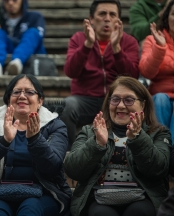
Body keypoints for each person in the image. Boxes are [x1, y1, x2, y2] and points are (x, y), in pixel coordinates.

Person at [64, 76, 172, 216]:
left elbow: (159, 169)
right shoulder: (90, 131)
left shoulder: (159, 133)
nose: (121, 105)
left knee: (139, 212)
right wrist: (97, 144)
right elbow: (73, 170)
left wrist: (138, 138)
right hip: (99, 198)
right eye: (115, 99)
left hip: (143, 198)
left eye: (129, 100)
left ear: (143, 105)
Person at [0, 74, 72, 216]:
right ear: (8, 99)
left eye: (29, 92)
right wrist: (4, 140)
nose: (22, 96)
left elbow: (53, 166)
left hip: (43, 194)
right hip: (0, 193)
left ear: (40, 101)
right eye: (16, 92)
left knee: (29, 210)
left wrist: (35, 139)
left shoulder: (55, 125)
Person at [61, 0, 140, 149]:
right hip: (85, 100)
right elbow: (70, 71)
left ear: (118, 20)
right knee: (66, 106)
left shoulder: (129, 42)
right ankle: (70, 154)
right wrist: (87, 45)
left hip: (116, 100)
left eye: (112, 14)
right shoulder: (79, 39)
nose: (107, 18)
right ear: (91, 19)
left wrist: (116, 48)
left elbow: (132, 76)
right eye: (102, 13)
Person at [139, 0, 174, 142]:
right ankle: (159, 147)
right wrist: (160, 48)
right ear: (167, 18)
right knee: (160, 99)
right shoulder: (152, 40)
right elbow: (146, 72)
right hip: (160, 96)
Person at [0, 0, 46, 76]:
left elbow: (39, 37)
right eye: (7, 1)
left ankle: (17, 62)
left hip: (32, 51)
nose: (10, 3)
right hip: (7, 48)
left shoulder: (35, 17)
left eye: (15, 0)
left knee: (33, 32)